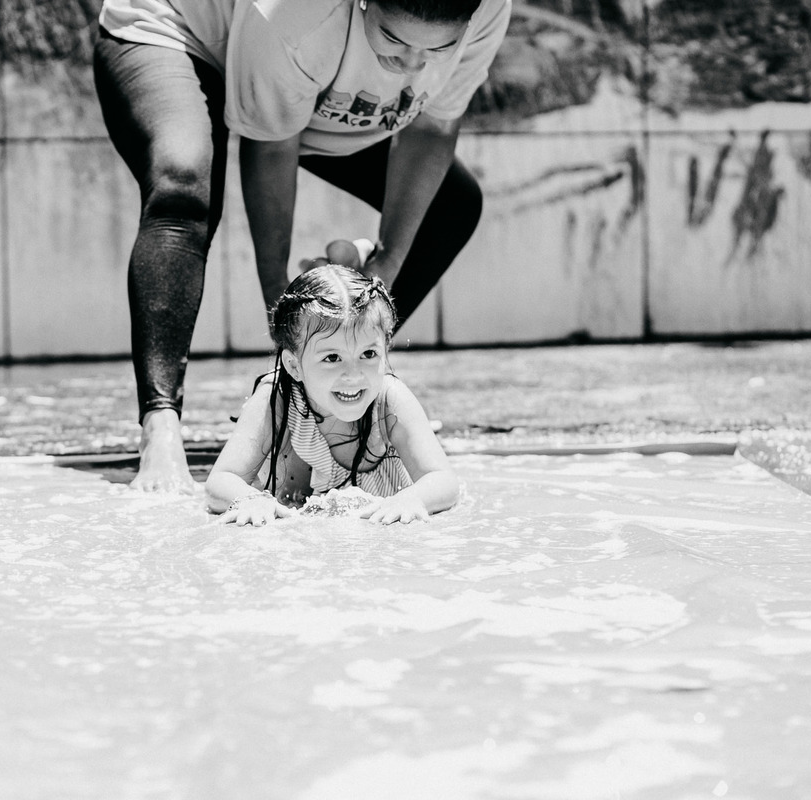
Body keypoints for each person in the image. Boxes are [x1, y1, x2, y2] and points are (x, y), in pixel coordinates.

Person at [93, 0, 510, 492]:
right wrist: (283, 307)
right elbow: (271, 144)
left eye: (438, 48)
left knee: (451, 206)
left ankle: (336, 394)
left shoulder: (488, 8)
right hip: (185, 33)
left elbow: (433, 129)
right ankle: (160, 426)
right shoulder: (297, 13)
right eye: (395, 40)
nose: (414, 66)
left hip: (304, 81)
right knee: (184, 182)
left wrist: (389, 259)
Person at [205, 265, 459, 525]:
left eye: (368, 354)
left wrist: (412, 498)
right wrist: (250, 499)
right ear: (294, 366)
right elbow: (220, 481)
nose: (353, 375)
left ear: (386, 349)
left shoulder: (389, 400)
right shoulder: (276, 398)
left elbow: (444, 481)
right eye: (332, 358)